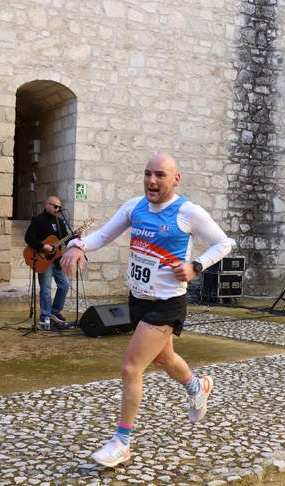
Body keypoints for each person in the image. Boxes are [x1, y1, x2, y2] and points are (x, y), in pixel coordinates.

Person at [61, 154, 231, 468]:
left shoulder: (188, 212)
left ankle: (121, 442)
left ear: (175, 179)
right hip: (139, 299)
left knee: (130, 367)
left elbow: (223, 243)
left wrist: (195, 266)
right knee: (165, 358)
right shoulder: (134, 207)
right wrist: (77, 245)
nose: (152, 181)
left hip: (167, 303)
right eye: (148, 174)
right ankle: (198, 387)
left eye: (160, 175)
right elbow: (103, 236)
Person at [24, 196, 72, 330]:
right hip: (42, 260)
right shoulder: (39, 220)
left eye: (59, 207)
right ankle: (45, 315)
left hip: (57, 260)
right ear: (47, 205)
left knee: (65, 285)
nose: (57, 209)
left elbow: (66, 240)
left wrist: (75, 239)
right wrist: (42, 247)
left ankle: (54, 312)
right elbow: (28, 238)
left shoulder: (60, 222)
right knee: (46, 289)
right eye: (55, 206)